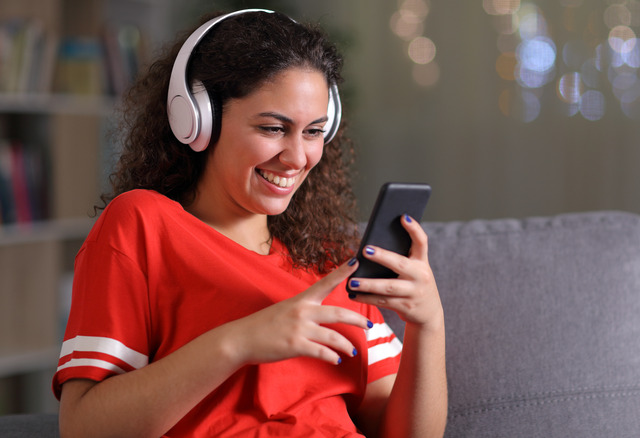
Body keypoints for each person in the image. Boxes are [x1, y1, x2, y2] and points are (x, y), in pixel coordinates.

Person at [52, 9, 447, 438]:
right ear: (199, 119)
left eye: (314, 132)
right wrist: (239, 342)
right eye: (274, 128)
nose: (298, 158)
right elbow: (84, 428)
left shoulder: (330, 261)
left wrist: (429, 325)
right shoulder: (142, 223)